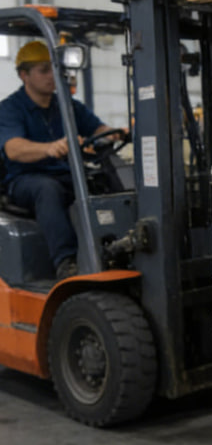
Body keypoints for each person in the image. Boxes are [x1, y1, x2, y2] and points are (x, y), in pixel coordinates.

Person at [0, 40, 123, 280]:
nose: (52, 76)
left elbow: (97, 128)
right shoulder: (10, 109)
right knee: (47, 189)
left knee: (102, 182)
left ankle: (115, 248)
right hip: (25, 180)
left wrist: (114, 133)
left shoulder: (66, 106)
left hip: (65, 174)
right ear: (24, 75)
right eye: (44, 70)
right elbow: (13, 149)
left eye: (54, 69)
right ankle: (66, 261)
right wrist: (50, 148)